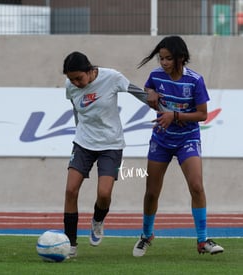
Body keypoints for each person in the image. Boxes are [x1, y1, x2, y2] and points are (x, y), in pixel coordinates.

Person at [132, 36, 224, 257]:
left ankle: (203, 241)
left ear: (181, 58)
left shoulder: (195, 81)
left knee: (196, 186)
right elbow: (148, 89)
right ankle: (146, 235)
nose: (163, 63)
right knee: (152, 192)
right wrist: (150, 93)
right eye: (161, 58)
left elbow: (203, 114)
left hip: (187, 139)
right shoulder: (155, 76)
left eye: (168, 58)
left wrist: (175, 115)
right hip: (161, 140)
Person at [62, 51, 156, 258]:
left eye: (79, 78)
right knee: (70, 190)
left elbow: (138, 93)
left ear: (90, 70)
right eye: (71, 79)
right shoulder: (70, 87)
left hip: (111, 145)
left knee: (104, 194)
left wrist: (163, 108)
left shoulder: (112, 77)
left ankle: (97, 220)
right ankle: (70, 244)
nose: (76, 83)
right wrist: (79, 132)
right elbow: (76, 109)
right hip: (83, 143)